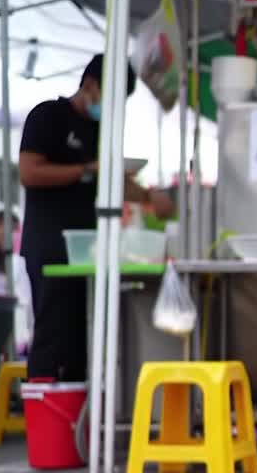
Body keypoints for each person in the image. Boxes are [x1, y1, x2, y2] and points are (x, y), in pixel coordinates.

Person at [18, 53, 173, 381]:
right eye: (111, 97)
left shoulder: (98, 131)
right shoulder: (48, 116)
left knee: (80, 337)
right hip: (48, 247)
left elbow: (113, 180)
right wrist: (85, 169)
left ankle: (77, 417)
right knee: (51, 333)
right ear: (89, 85)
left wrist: (149, 198)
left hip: (87, 249)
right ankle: (45, 413)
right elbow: (30, 172)